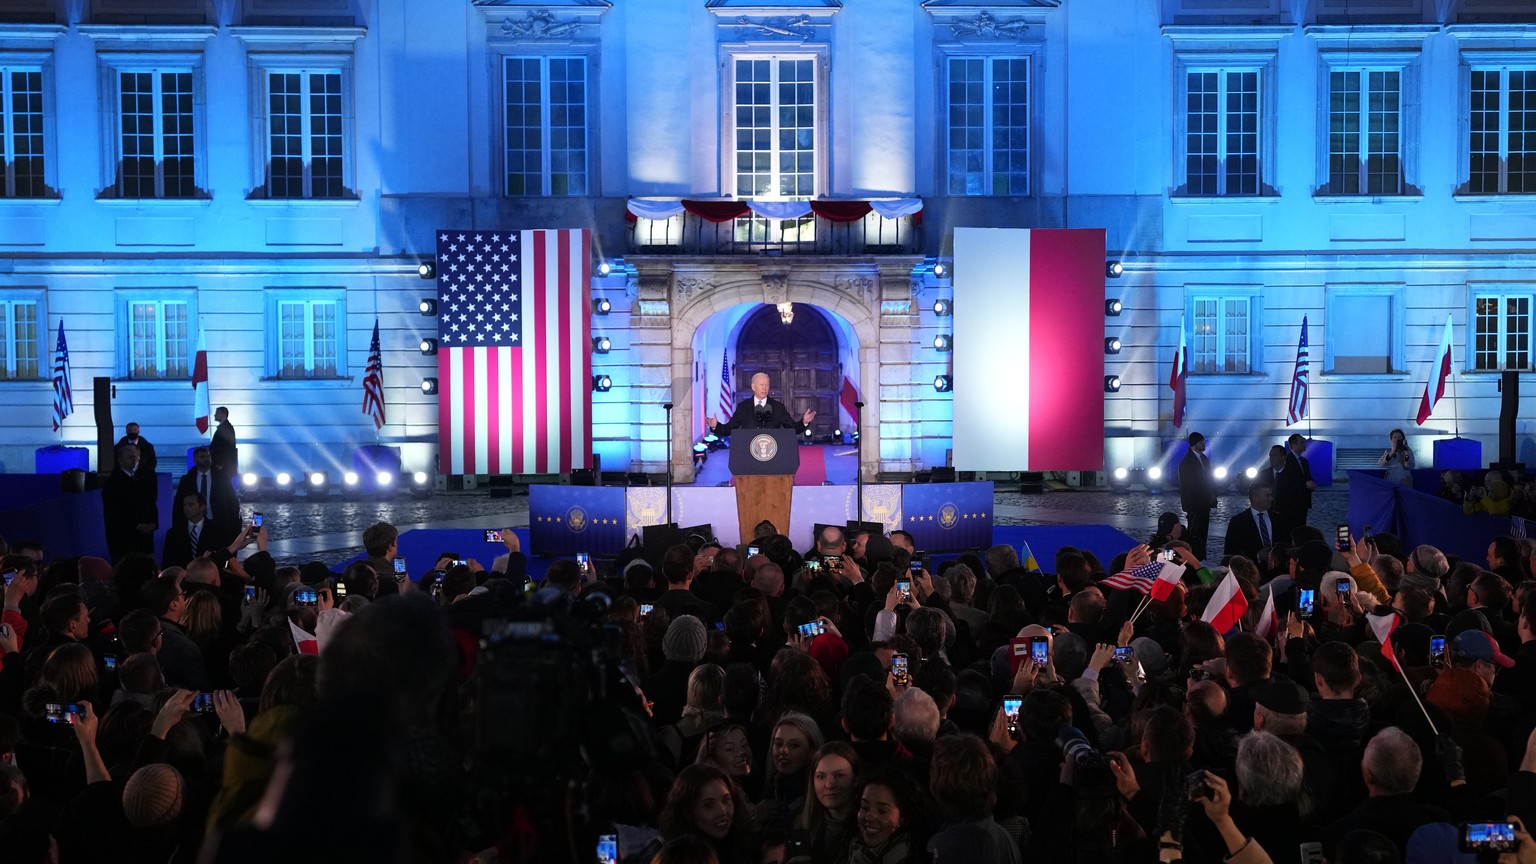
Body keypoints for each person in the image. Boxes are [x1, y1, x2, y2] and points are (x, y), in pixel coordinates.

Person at [101, 442, 158, 562]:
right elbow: (114, 511)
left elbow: (152, 501)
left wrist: (152, 523)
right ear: (120, 460)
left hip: (145, 538)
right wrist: (136, 525)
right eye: (130, 457)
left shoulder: (148, 476)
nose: (134, 460)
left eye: (136, 456)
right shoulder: (112, 482)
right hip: (123, 540)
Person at [706, 372, 815, 435]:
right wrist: (716, 426)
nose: (764, 388)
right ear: (753, 387)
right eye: (761, 385)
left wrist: (804, 422)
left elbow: (793, 429)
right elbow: (729, 429)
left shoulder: (778, 407)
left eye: (767, 385)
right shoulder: (743, 407)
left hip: (772, 454)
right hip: (749, 455)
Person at [174, 446, 239, 532]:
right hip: (194, 521)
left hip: (218, 521)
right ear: (195, 460)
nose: (207, 459)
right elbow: (179, 502)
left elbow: (232, 500)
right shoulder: (187, 479)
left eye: (208, 456)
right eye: (202, 457)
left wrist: (233, 522)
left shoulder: (221, 477)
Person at [1178, 432, 1218, 560]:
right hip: (1194, 504)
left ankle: (1201, 556)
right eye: (1201, 442)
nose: (1204, 444)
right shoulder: (1187, 462)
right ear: (1195, 444)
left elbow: (1209, 479)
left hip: (1204, 503)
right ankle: (1194, 557)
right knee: (1195, 533)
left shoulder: (1204, 459)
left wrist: (1212, 494)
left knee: (1202, 533)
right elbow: (1190, 485)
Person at [1273, 434, 1315, 538]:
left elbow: (1307, 477)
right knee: (1290, 531)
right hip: (1290, 504)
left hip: (1302, 503)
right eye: (1301, 442)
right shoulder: (1286, 461)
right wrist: (1304, 484)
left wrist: (1311, 483)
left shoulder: (1304, 461)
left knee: (1301, 529)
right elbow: (1284, 482)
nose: (1304, 444)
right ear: (1293, 444)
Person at [1223, 482, 1276, 563]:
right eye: (1267, 496)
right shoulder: (1238, 522)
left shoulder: (1278, 519)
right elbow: (1230, 551)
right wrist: (1257, 555)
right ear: (1256, 499)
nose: (1271, 499)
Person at [210, 406, 238, 476]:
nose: (214, 415)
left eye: (217, 413)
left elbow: (227, 447)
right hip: (223, 465)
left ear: (223, 414)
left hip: (223, 466)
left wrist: (220, 464)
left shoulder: (225, 429)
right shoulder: (225, 428)